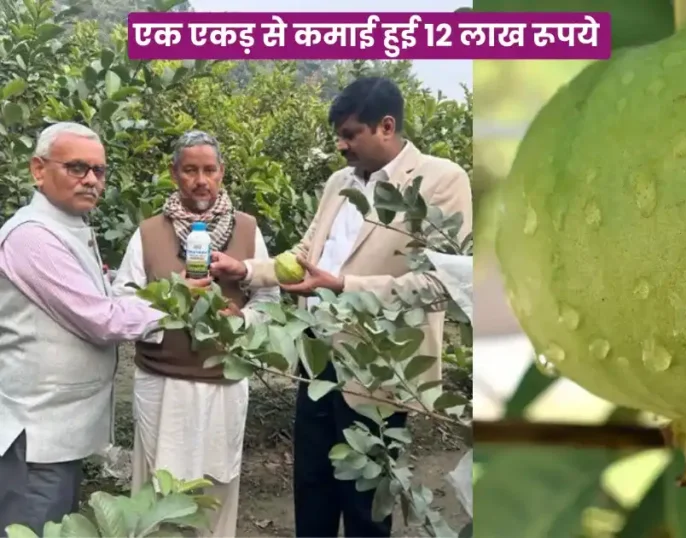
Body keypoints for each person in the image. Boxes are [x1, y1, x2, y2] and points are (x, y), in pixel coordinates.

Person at [209, 76, 473, 537]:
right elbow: (306, 253)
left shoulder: (441, 180)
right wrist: (247, 271)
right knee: (312, 484)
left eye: (351, 134)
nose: (341, 144)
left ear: (386, 126)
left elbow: (439, 283)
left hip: (381, 361)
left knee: (365, 499)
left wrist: (345, 284)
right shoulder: (339, 182)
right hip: (318, 353)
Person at [0, 122, 210, 536]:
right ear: (38, 170)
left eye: (99, 170)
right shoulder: (32, 238)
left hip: (59, 430)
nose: (91, 180)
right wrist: (173, 298)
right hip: (38, 435)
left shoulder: (68, 227)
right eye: (77, 167)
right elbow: (102, 319)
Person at [110, 130, 280, 537]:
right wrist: (173, 299)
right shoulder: (150, 232)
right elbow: (122, 303)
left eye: (209, 170)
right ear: (174, 174)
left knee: (217, 487)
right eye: (190, 170)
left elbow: (270, 299)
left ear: (222, 173)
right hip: (163, 384)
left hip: (223, 383)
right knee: (158, 488)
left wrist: (241, 321)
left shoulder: (247, 229)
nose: (200, 179)